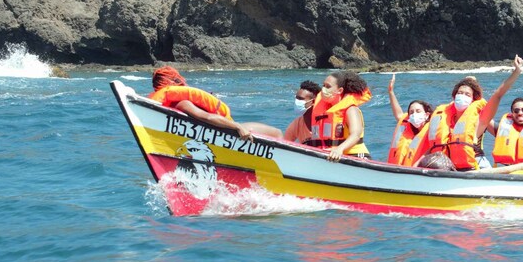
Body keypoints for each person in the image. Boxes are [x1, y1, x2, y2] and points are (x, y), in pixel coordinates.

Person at [412, 56, 523, 171]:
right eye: (460, 93)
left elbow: (498, 94)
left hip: (476, 166)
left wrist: (517, 71)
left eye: (467, 94)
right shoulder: (445, 119)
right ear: (454, 97)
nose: (462, 96)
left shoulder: (480, 120)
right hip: (451, 168)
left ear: (473, 100)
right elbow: (433, 148)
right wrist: (413, 168)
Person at [148, 66, 282, 139]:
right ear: (176, 82)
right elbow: (207, 117)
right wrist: (238, 127)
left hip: (220, 130)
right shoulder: (182, 102)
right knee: (277, 133)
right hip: (228, 130)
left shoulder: (167, 102)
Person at [309, 71, 372, 162]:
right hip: (332, 156)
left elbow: (356, 134)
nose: (323, 89)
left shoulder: (350, 109)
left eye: (328, 86)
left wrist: (339, 149)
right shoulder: (324, 111)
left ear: (340, 90)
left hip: (355, 156)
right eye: (323, 85)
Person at [386, 74, 433, 166]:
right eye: (411, 112)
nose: (414, 114)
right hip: (399, 169)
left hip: (419, 170)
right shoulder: (407, 126)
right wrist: (391, 92)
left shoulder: (432, 129)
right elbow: (399, 114)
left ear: (426, 115)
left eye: (418, 111)